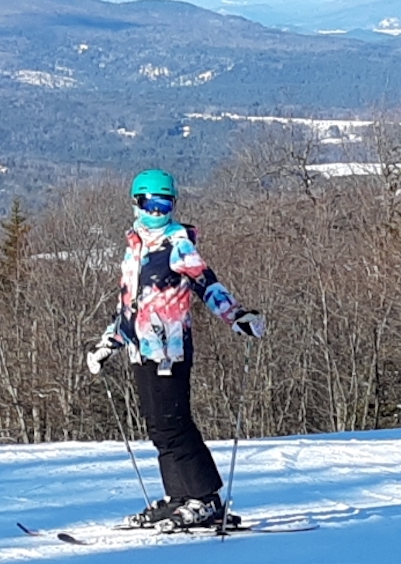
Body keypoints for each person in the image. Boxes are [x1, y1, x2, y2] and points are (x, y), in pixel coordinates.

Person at [85, 168, 266, 531]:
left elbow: (205, 284)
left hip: (171, 349)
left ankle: (207, 498)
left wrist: (236, 317)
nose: (158, 212)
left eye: (165, 204)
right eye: (151, 204)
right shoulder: (134, 249)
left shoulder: (177, 242)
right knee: (159, 428)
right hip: (142, 350)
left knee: (175, 424)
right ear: (136, 204)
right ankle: (180, 497)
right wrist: (109, 344)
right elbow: (129, 306)